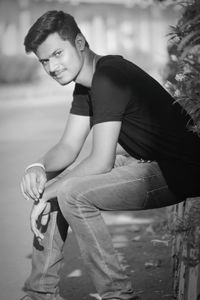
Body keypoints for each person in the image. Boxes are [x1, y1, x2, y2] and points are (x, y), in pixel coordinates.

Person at [20, 10, 200, 300]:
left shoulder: (109, 76)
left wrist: (50, 193)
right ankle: (40, 293)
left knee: (70, 193)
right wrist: (38, 167)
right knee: (55, 185)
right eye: (44, 61)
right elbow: (68, 147)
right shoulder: (85, 86)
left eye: (57, 54)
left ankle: (118, 294)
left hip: (181, 170)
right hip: (148, 162)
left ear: (79, 42)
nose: (52, 67)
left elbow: (100, 160)